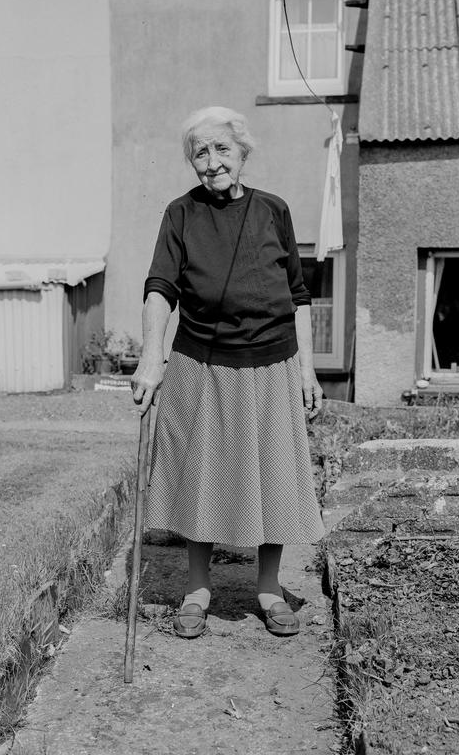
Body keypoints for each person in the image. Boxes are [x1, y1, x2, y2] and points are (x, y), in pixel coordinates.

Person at [131, 106, 325, 639]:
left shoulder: (273, 211)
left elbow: (299, 295)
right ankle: (197, 588)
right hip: (203, 363)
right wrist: (151, 359)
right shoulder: (181, 214)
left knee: (274, 476)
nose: (212, 163)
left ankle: (268, 587)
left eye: (221, 150)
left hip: (273, 361)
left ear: (242, 154)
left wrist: (308, 370)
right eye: (201, 152)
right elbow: (160, 288)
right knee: (202, 475)